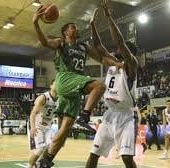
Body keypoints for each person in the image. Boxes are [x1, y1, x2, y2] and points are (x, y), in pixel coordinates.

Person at [33, 4, 122, 168]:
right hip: (66, 79)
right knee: (100, 86)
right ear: (66, 32)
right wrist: (36, 23)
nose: (76, 29)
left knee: (64, 131)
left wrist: (118, 64)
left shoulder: (83, 46)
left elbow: (102, 59)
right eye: (73, 27)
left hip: (74, 88)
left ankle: (44, 161)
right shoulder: (61, 43)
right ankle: (85, 117)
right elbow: (45, 42)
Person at [85, 0, 139, 167]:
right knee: (94, 154)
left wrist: (109, 17)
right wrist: (92, 25)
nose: (115, 52)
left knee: (127, 158)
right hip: (109, 114)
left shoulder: (131, 65)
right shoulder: (113, 64)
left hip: (126, 116)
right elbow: (99, 46)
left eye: (119, 51)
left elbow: (120, 43)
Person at [28, 79, 58, 168]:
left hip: (48, 126)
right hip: (37, 126)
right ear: (51, 86)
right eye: (56, 84)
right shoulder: (43, 97)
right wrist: (33, 127)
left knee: (50, 147)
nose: (58, 86)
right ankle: (29, 166)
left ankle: (39, 164)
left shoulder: (60, 99)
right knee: (39, 149)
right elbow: (33, 113)